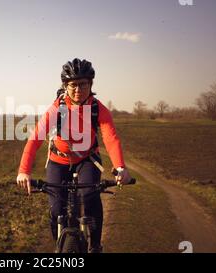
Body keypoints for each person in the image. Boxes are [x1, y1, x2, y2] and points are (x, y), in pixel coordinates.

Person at [16, 58, 132, 253]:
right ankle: (59, 247)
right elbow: (35, 138)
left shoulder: (98, 109)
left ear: (91, 84)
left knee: (89, 196)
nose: (78, 89)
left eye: (83, 84)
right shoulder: (56, 109)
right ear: (65, 86)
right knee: (55, 210)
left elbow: (110, 138)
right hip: (58, 160)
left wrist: (120, 167)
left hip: (87, 160)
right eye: (73, 85)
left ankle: (95, 245)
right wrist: (24, 171)